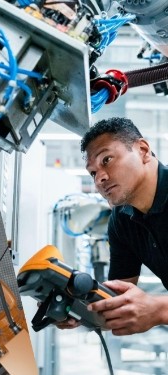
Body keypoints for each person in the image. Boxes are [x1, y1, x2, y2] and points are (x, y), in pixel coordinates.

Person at [73, 116, 168, 336]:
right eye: (93, 173)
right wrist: (75, 306)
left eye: (106, 160)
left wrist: (160, 310)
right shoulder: (122, 221)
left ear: (143, 150)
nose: (99, 180)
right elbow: (115, 301)